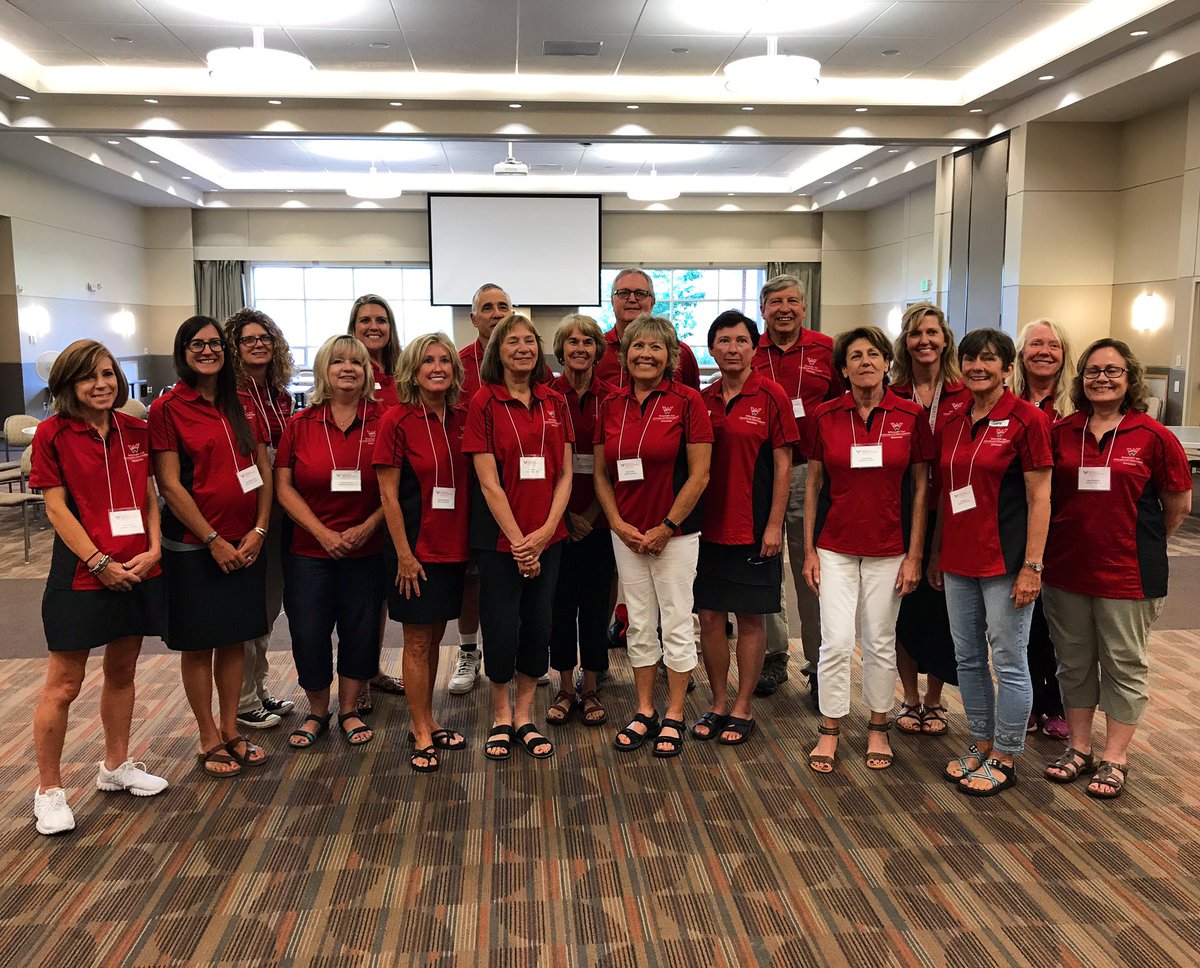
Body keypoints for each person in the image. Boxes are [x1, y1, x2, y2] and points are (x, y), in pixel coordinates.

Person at [29, 340, 169, 835]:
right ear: (68, 385)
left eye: (108, 374)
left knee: (123, 671)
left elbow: (149, 495)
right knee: (64, 684)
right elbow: (55, 508)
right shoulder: (51, 433)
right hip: (82, 573)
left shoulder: (136, 428)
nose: (102, 384)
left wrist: (154, 549)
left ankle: (115, 766)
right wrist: (99, 561)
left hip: (137, 567)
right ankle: (48, 790)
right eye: (89, 377)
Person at [1041, 339, 1192, 799]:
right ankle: (1080, 747)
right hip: (1066, 572)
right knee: (1074, 663)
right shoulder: (1062, 431)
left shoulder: (1153, 436)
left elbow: (1178, 506)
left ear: (1130, 379)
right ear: (1081, 378)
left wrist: (1139, 541)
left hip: (1129, 575)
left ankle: (1116, 757)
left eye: (1113, 370)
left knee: (1124, 664)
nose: (1102, 378)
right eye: (1092, 371)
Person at [802, 327, 933, 773]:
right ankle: (831, 726)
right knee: (835, 642)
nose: (865, 362)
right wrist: (808, 551)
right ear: (843, 368)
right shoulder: (825, 415)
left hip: (889, 546)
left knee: (879, 641)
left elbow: (920, 487)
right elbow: (814, 485)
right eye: (855, 356)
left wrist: (915, 554)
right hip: (834, 545)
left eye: (873, 354)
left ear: (886, 363)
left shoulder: (910, 415)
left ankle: (879, 724)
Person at [929, 328, 1052, 797]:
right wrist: (939, 552)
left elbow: (1041, 498)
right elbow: (946, 493)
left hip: (1006, 562)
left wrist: (1033, 567)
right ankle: (980, 741)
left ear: (1006, 366)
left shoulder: (1026, 420)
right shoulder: (956, 418)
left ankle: (1006, 753)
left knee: (1009, 659)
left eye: (988, 359)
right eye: (970, 359)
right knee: (967, 658)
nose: (977, 367)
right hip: (959, 559)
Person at [150, 315, 273, 778]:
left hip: (247, 544)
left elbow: (261, 466)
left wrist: (259, 530)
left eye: (215, 343)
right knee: (200, 645)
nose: (208, 351)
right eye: (197, 344)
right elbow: (169, 484)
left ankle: (231, 729)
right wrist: (214, 540)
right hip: (195, 547)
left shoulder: (243, 401)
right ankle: (207, 737)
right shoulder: (168, 409)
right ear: (182, 352)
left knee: (234, 639)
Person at [595, 314, 713, 758]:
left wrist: (666, 527)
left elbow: (699, 474)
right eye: (637, 347)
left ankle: (676, 712)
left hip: (675, 535)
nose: (646, 354)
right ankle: (645, 709)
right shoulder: (609, 403)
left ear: (671, 357)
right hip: (625, 534)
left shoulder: (687, 402)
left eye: (656, 347)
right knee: (639, 624)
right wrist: (617, 523)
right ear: (624, 356)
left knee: (678, 624)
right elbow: (603, 476)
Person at [463, 313, 573, 762]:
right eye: (513, 342)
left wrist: (544, 534)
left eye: (530, 340)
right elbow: (488, 481)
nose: (524, 348)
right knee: (502, 628)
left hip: (550, 537)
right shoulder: (483, 402)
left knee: (539, 627)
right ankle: (501, 715)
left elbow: (565, 474)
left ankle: (526, 715)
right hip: (499, 541)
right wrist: (518, 542)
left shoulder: (555, 402)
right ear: (498, 351)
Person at [274, 334, 387, 751]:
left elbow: (396, 488)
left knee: (360, 629)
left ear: (367, 371)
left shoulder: (384, 420)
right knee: (308, 631)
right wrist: (321, 533)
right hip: (308, 552)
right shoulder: (299, 425)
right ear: (324, 370)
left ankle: (350, 709)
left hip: (367, 549)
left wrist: (368, 527)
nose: (348, 369)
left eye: (356, 363)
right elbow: (283, 487)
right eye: (338, 361)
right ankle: (318, 709)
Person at [693, 311, 797, 746]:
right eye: (724, 341)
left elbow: (784, 463)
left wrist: (774, 525)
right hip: (707, 528)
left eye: (741, 340)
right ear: (712, 348)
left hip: (755, 527)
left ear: (755, 348)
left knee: (751, 618)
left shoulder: (772, 396)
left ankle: (743, 706)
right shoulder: (703, 398)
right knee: (711, 616)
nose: (732, 348)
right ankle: (718, 701)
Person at [376, 333, 472, 772]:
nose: (438, 367)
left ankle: (430, 719)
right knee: (416, 639)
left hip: (454, 545)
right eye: (428, 361)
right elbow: (389, 496)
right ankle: (419, 730)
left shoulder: (463, 417)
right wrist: (404, 555)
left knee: (435, 636)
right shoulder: (396, 419)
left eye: (445, 360)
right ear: (412, 370)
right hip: (414, 548)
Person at [751, 274, 841, 702]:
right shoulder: (750, 350)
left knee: (810, 569)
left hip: (810, 471)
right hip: (761, 472)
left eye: (793, 301)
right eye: (775, 302)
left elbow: (845, 405)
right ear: (763, 308)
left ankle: (818, 661)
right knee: (765, 565)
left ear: (804, 307)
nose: (784, 308)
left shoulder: (826, 349)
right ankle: (773, 655)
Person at [888, 303, 971, 737]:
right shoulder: (891, 391)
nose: (925, 340)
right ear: (905, 340)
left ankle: (935, 699)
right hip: (898, 509)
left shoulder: (963, 393)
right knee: (903, 607)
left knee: (941, 609)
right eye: (916, 333)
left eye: (932, 333)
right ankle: (909, 697)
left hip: (952, 513)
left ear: (945, 339)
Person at [224, 307, 295, 731]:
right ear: (234, 347)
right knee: (247, 608)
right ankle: (244, 699)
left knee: (269, 607)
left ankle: (259, 686)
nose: (258, 344)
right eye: (248, 339)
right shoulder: (228, 397)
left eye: (265, 337)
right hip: (245, 516)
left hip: (282, 511)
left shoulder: (280, 395)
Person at [546, 314, 617, 728]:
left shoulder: (613, 398)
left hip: (600, 520)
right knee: (559, 605)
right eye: (571, 341)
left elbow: (613, 464)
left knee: (594, 606)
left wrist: (590, 515)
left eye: (587, 341)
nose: (579, 348)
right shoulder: (545, 396)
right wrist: (567, 515)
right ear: (560, 349)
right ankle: (565, 685)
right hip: (556, 520)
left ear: (597, 349)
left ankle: (590, 686)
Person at [1013, 318, 1075, 741]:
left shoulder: (1076, 405)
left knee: (1064, 624)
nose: (1044, 351)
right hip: (1018, 521)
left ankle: (1061, 704)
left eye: (1053, 345)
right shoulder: (1007, 401)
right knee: (1027, 622)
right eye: (1036, 343)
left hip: (1070, 525)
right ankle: (1034, 702)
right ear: (1022, 352)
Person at [449, 282, 512, 697]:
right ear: (473, 318)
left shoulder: (524, 358)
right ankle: (469, 652)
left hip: (521, 486)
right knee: (471, 577)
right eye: (486, 307)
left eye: (502, 306)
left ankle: (514, 652)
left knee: (515, 575)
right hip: (468, 485)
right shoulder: (457, 364)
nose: (495, 312)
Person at [346, 294, 406, 705]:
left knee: (382, 597)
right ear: (353, 326)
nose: (374, 326)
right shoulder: (347, 373)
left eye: (381, 320)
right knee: (359, 600)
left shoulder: (402, 376)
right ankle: (359, 677)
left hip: (395, 502)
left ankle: (375, 667)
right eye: (365, 320)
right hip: (355, 502)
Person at [594, 268, 701, 391]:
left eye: (640, 294)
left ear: (652, 302)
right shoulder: (596, 349)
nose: (632, 299)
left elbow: (692, 401)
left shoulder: (680, 352)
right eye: (623, 293)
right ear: (612, 302)